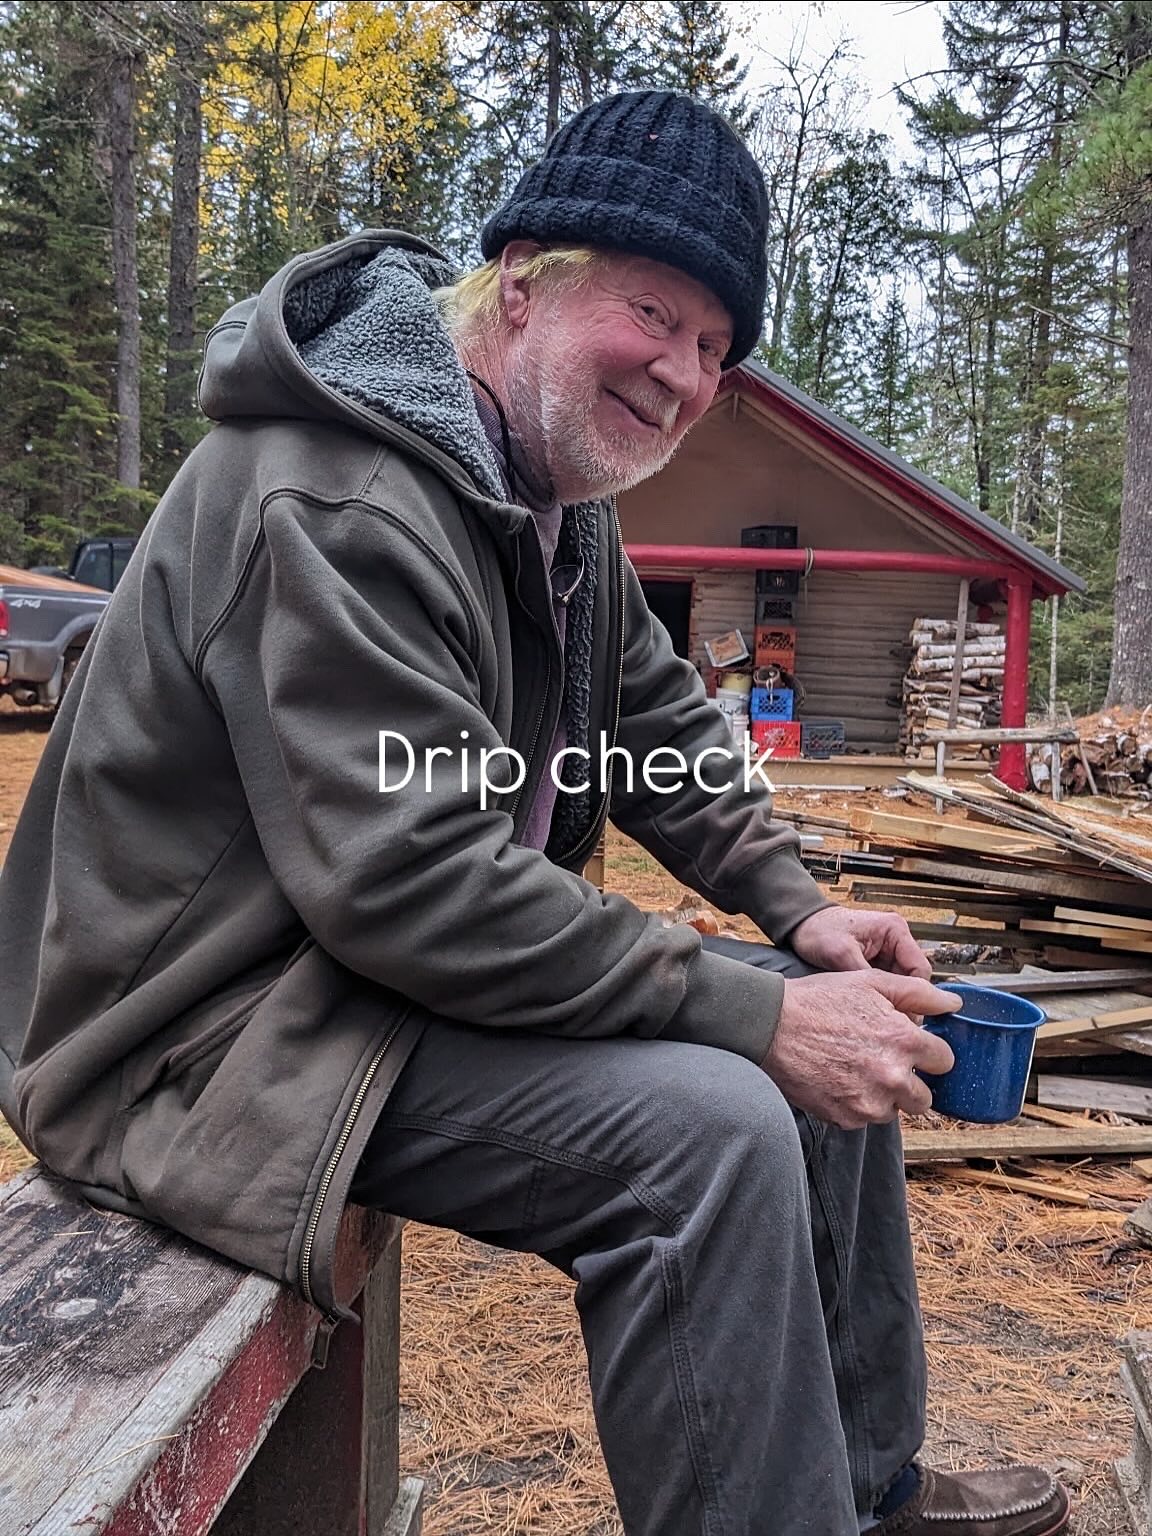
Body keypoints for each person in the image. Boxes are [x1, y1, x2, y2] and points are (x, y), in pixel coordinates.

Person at [0, 91, 1068, 1536]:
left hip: (357, 985)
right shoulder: (341, 497)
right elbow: (411, 881)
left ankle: (866, 1490)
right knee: (716, 1132)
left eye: (713, 347)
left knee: (843, 1029)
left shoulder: (552, 494)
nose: (683, 372)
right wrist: (750, 1019)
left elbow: (657, 724)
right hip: (206, 1036)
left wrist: (802, 914)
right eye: (655, 313)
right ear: (524, 284)